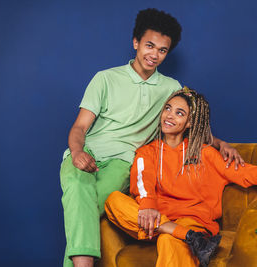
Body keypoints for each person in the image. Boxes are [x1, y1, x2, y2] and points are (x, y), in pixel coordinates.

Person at [60, 8, 243, 267]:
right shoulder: (105, 79)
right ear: (135, 43)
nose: (154, 55)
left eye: (162, 50)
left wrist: (221, 143)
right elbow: (79, 127)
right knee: (78, 193)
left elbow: (191, 122)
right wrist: (77, 152)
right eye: (149, 45)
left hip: (123, 163)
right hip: (86, 153)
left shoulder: (171, 88)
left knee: (81, 211)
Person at [105, 88, 257, 267]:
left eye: (180, 113)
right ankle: (190, 237)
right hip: (155, 219)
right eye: (168, 109)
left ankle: (185, 234)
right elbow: (142, 182)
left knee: (169, 239)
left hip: (192, 222)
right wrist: (148, 206)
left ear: (189, 123)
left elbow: (246, 172)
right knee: (113, 200)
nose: (170, 115)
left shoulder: (206, 154)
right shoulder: (147, 152)